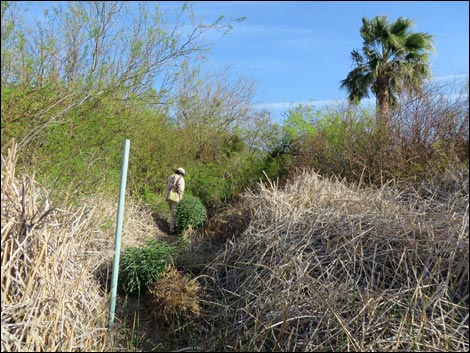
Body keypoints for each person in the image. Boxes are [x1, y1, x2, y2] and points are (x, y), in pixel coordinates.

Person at [165, 167, 185, 234]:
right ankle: (172, 230)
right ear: (181, 173)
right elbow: (181, 190)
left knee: (171, 212)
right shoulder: (181, 179)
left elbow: (167, 185)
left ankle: (171, 226)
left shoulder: (170, 177)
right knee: (174, 214)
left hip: (168, 196)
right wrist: (180, 197)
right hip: (175, 198)